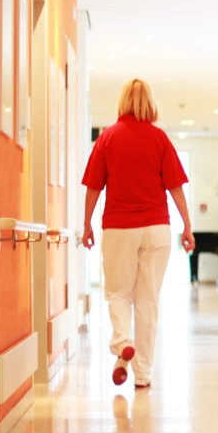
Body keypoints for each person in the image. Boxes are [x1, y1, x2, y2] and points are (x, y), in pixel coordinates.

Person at [82, 78, 195, 389]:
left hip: (119, 227)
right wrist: (187, 226)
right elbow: (176, 188)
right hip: (157, 229)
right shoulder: (160, 138)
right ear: (150, 103)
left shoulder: (107, 137)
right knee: (148, 302)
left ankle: (122, 341)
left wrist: (86, 223)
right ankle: (142, 374)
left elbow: (93, 186)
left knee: (118, 293)